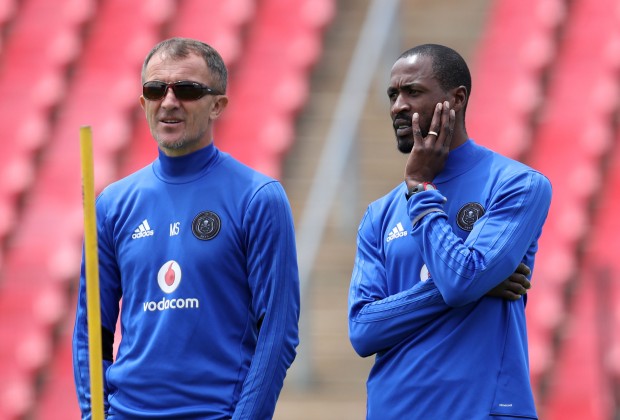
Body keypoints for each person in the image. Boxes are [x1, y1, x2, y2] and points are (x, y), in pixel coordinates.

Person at [73, 37, 300, 419]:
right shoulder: (112, 204)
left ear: (218, 105)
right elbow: (90, 333)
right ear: (143, 101)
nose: (169, 101)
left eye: (188, 90)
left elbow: (278, 334)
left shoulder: (259, 198)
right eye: (155, 89)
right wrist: (94, 414)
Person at [348, 44, 552, 419]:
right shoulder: (379, 214)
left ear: (456, 99)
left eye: (413, 91)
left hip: (483, 409)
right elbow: (362, 329)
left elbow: (460, 280)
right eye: (393, 94)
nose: (397, 106)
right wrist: (472, 283)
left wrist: (422, 188)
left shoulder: (518, 185)